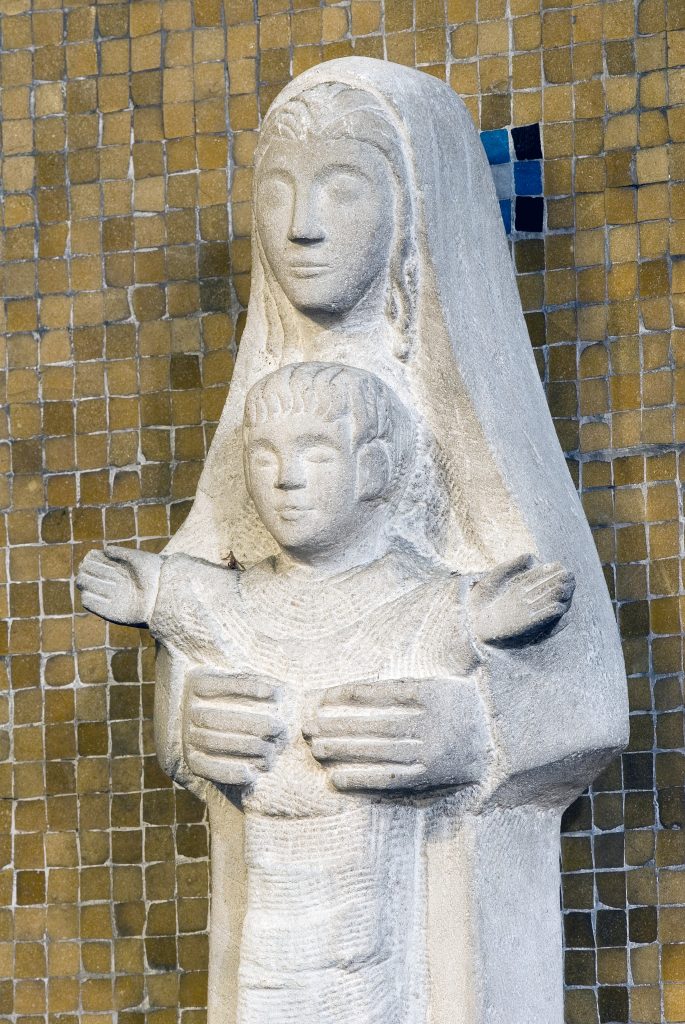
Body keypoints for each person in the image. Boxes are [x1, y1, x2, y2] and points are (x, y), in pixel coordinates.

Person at [78, 362, 574, 1023]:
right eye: (263, 456)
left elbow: (474, 634)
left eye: (314, 452)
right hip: (271, 910)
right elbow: (191, 601)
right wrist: (154, 607)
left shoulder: (411, 597)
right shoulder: (242, 600)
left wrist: (480, 650)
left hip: (369, 909)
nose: (285, 478)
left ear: (372, 468)